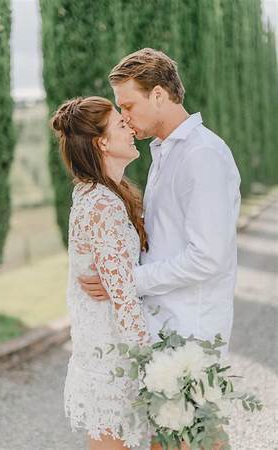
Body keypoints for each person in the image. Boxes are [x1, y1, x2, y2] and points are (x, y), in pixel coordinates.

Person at [78, 48, 241, 450]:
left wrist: (127, 281)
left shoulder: (201, 155)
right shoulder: (164, 153)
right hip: (162, 331)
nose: (125, 117)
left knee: (199, 443)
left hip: (191, 336)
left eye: (128, 105)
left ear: (158, 96)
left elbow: (209, 256)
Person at [51, 96, 151, 450]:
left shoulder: (99, 194)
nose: (131, 128)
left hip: (106, 352)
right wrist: (152, 364)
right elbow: (123, 300)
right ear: (102, 142)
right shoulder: (102, 205)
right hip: (114, 362)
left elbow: (119, 283)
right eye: (121, 125)